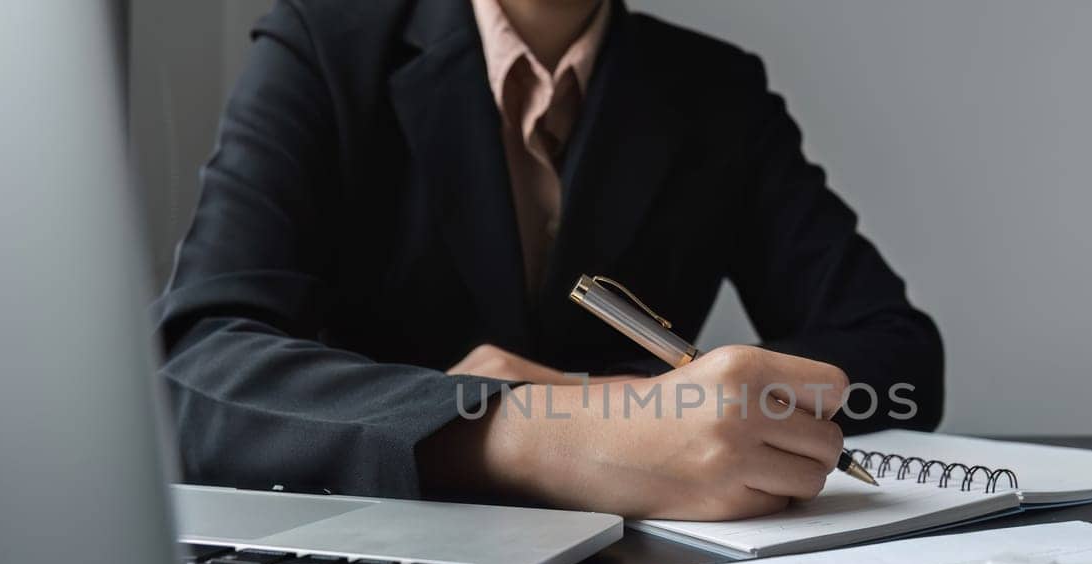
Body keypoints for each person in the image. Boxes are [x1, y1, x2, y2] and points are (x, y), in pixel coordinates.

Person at [151, 0, 944, 521]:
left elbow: (902, 360)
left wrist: (605, 400)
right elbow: (197, 367)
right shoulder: (323, 43)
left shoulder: (716, 91)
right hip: (388, 540)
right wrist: (532, 432)